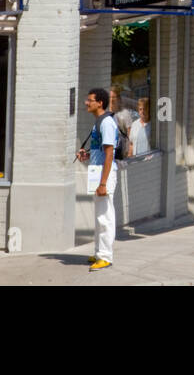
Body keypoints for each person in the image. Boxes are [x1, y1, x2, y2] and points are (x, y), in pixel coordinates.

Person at [76, 87, 120, 271]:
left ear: (100, 102)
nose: (87, 103)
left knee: (105, 217)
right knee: (99, 216)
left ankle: (105, 256)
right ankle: (99, 252)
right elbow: (101, 151)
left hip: (104, 174)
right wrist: (87, 154)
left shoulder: (106, 123)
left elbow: (110, 153)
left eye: (90, 100)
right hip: (98, 172)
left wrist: (103, 182)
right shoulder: (98, 122)